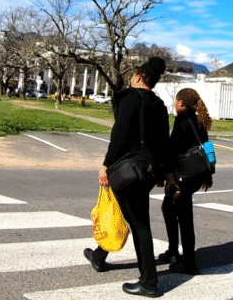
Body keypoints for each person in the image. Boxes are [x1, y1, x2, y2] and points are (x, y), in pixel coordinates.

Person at [84, 57, 172, 298]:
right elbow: (164, 143)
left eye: (134, 75)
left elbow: (119, 136)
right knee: (126, 212)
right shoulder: (160, 105)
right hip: (147, 171)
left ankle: (149, 283)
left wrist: (105, 165)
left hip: (128, 170)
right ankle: (99, 256)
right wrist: (164, 175)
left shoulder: (130, 98)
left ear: (139, 76)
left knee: (139, 224)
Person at [158, 88, 214, 276]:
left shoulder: (182, 119)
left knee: (183, 217)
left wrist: (169, 178)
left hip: (182, 176)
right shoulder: (199, 120)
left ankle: (188, 262)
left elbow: (172, 151)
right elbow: (206, 147)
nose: (175, 104)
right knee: (170, 208)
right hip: (196, 176)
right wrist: (208, 176)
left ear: (181, 103)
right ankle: (174, 252)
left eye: (176, 101)